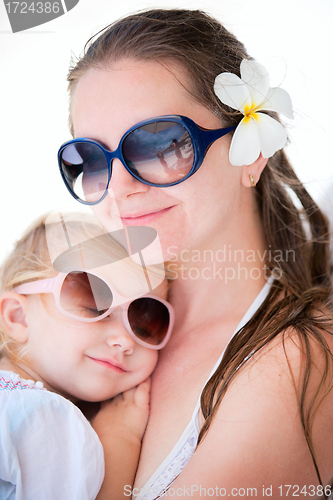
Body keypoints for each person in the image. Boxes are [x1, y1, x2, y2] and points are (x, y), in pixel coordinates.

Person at [58, 8, 333, 497]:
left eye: (160, 144)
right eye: (90, 158)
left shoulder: (306, 357)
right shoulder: (74, 318)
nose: (118, 188)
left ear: (250, 153)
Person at [0, 211, 174, 500]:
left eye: (145, 321)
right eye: (93, 302)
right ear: (18, 317)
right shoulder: (43, 417)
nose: (123, 340)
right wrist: (120, 438)